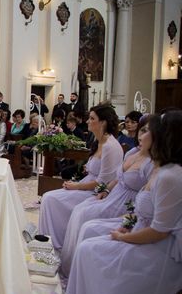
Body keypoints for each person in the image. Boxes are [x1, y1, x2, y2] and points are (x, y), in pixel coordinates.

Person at [62, 111, 182, 294]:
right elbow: (143, 211)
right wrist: (128, 227)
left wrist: (123, 237)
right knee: (88, 244)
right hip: (141, 232)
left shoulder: (172, 175)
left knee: (89, 250)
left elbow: (160, 230)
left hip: (159, 252)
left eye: (153, 130)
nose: (145, 134)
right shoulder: (162, 168)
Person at [60, 118, 154, 276]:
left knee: (85, 218)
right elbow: (118, 178)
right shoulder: (132, 152)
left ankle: (83, 271)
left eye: (146, 132)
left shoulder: (151, 162)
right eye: (142, 130)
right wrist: (104, 190)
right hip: (113, 194)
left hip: (126, 201)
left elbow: (146, 194)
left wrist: (131, 218)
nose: (141, 136)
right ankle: (70, 265)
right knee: (80, 209)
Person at [39, 103, 124, 253]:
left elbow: (102, 183)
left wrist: (75, 186)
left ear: (103, 122)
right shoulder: (98, 141)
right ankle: (49, 241)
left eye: (92, 118)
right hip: (87, 184)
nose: (87, 121)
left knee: (50, 198)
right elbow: (96, 170)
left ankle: (55, 244)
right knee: (48, 198)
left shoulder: (111, 146)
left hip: (97, 193)